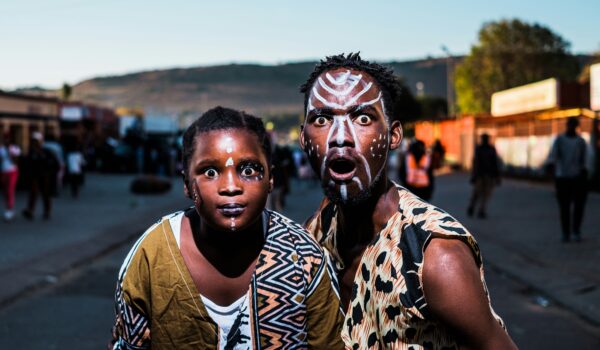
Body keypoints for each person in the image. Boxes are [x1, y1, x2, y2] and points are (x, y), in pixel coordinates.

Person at [299, 53, 516, 349]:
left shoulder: (435, 257)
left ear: (393, 135)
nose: (340, 137)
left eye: (362, 118)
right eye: (322, 119)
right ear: (303, 138)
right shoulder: (317, 231)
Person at [110, 107, 344, 349]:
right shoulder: (151, 255)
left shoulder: (304, 256)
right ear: (187, 184)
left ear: (271, 179)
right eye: (210, 172)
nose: (231, 186)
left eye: (249, 170)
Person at [546, 117, 588, 242]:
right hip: (563, 178)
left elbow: (584, 160)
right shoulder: (560, 140)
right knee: (564, 207)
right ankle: (566, 232)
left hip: (576, 177)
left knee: (578, 207)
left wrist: (584, 174)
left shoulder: (581, 141)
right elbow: (553, 157)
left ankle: (575, 230)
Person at [22, 132, 59, 220]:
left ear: (41, 141)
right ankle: (30, 210)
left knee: (45, 194)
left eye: (36, 141)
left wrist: (51, 173)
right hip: (34, 176)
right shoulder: (31, 152)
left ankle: (47, 211)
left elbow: (55, 164)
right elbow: (28, 164)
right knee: (33, 193)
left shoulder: (46, 152)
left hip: (45, 176)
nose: (34, 143)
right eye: (33, 141)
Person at [467, 133, 501, 219]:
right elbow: (476, 163)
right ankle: (473, 207)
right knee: (477, 193)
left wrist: (497, 176)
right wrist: (474, 175)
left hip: (487, 175)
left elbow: (494, 163)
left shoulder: (489, 149)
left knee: (485, 194)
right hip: (481, 175)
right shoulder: (480, 149)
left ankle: (481, 209)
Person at [0, 133, 21, 221]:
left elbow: (16, 161)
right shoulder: (1, 149)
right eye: (5, 138)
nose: (6, 140)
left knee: (10, 190)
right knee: (5, 192)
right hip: (3, 172)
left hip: (12, 171)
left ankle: (9, 210)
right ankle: (9, 209)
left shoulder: (15, 148)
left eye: (7, 138)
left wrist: (10, 152)